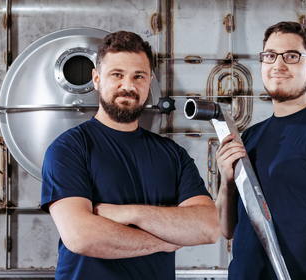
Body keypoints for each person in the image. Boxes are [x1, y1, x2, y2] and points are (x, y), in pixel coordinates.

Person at [40, 31, 220, 280]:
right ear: (96, 79)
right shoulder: (69, 149)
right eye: (117, 75)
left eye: (139, 76)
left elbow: (208, 227)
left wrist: (130, 213)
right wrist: (166, 241)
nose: (128, 86)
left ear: (149, 82)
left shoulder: (173, 155)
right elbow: (81, 236)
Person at [215, 21, 306, 280]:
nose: (278, 65)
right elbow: (228, 229)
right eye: (270, 56)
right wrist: (227, 182)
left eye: (291, 56)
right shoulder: (252, 135)